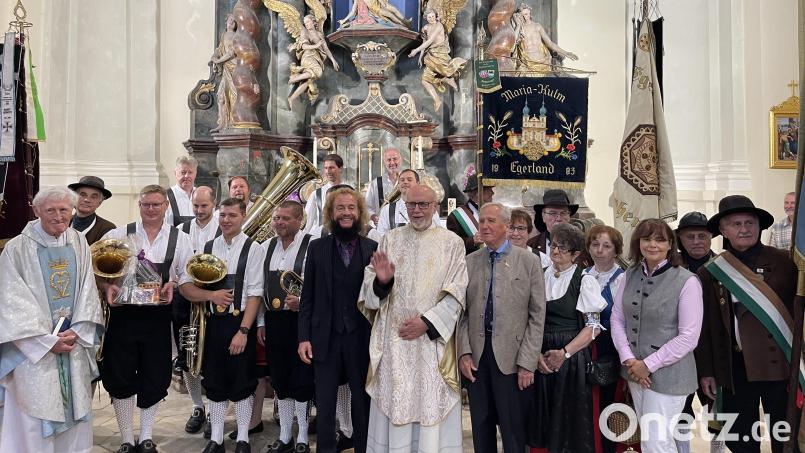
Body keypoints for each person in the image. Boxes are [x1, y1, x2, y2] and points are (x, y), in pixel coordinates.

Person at [359, 185, 468, 452]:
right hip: (394, 341)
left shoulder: (451, 243)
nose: (417, 210)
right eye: (412, 205)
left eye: (423, 205)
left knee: (430, 401)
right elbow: (370, 285)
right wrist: (382, 283)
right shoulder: (390, 239)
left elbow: (458, 290)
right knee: (396, 400)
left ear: (435, 206)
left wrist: (427, 323)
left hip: (430, 344)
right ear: (404, 206)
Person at [0, 187, 104, 453]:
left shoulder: (78, 242)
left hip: (72, 344)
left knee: (75, 416)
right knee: (35, 417)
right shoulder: (17, 248)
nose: (58, 216)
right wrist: (46, 341)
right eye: (50, 210)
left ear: (72, 211)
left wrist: (78, 332)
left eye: (64, 210)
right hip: (34, 351)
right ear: (36, 212)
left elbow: (86, 291)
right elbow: (11, 299)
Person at [696, 195, 796, 453]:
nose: (744, 229)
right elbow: (705, 328)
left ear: (759, 226)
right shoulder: (710, 272)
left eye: (750, 223)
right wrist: (707, 370)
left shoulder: (786, 262)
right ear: (723, 230)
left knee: (786, 437)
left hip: (781, 366)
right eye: (736, 223)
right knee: (739, 439)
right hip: (734, 367)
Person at [99, 185, 194, 453]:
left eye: (156, 204)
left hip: (158, 319)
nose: (150, 209)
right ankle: (127, 439)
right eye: (145, 204)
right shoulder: (118, 235)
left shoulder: (181, 239)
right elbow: (98, 270)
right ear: (139, 205)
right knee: (120, 375)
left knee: (155, 376)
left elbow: (187, 277)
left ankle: (147, 436)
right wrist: (108, 287)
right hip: (123, 318)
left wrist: (172, 286)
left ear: (166, 205)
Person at [180, 198, 266, 453]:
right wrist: (211, 296)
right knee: (215, 383)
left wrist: (243, 331)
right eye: (223, 215)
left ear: (243, 217)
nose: (226, 220)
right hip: (212, 325)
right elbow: (188, 286)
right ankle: (216, 439)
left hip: (240, 324)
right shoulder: (208, 247)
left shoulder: (253, 248)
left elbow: (255, 294)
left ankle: (242, 439)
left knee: (242, 383)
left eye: (232, 215)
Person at [610, 219, 703, 453]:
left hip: (670, 376)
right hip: (634, 372)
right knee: (648, 440)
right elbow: (617, 319)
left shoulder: (687, 281)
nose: (653, 244)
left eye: (660, 239)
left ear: (671, 244)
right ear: (638, 242)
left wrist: (648, 364)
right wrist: (630, 360)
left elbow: (689, 337)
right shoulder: (629, 275)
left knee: (657, 442)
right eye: (647, 239)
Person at [459, 202, 545, 453]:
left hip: (512, 359)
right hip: (477, 358)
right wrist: (464, 352)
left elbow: (537, 315)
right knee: (481, 430)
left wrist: (527, 362)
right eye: (482, 221)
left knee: (513, 432)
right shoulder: (470, 261)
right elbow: (461, 312)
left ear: (506, 226)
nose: (484, 226)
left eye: (490, 221)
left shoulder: (528, 262)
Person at [298, 186, 377, 453]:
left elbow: (378, 296)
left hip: (360, 338)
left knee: (362, 403)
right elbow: (307, 298)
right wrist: (304, 338)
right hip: (324, 337)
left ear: (359, 212)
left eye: (351, 208)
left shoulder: (372, 248)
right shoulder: (318, 248)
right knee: (325, 402)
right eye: (340, 208)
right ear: (331, 213)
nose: (346, 213)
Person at [526, 223, 606, 453]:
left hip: (570, 359)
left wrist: (565, 353)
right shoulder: (540, 275)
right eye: (554, 245)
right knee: (543, 419)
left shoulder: (585, 280)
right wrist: (536, 355)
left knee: (570, 423)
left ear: (576, 254)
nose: (556, 251)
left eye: (563, 248)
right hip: (540, 356)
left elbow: (593, 327)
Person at [258, 200, 316, 453]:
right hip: (274, 321)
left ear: (299, 220)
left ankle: (302, 436)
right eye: (276, 218)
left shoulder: (313, 245)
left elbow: (321, 288)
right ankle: (284, 437)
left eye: (285, 218)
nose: (279, 223)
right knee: (280, 378)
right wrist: (261, 322)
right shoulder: (264, 247)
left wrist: (302, 303)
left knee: (301, 379)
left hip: (302, 322)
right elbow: (257, 289)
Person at [674, 211, 724, 453]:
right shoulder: (671, 269)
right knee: (680, 411)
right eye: (690, 236)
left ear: (711, 237)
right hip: (680, 352)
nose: (696, 241)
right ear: (680, 239)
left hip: (714, 351)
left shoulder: (724, 269)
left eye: (702, 236)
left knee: (717, 411)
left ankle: (717, 449)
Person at [175, 186, 221, 435]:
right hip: (185, 298)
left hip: (213, 299)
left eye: (204, 205)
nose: (200, 210)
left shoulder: (221, 229)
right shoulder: (181, 231)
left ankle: (215, 409)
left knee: (211, 355)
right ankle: (197, 406)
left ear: (213, 204)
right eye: (196, 206)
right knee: (187, 353)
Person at [583, 225, 625, 453]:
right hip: (584, 346)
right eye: (595, 244)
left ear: (616, 250)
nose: (600, 250)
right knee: (586, 404)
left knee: (609, 404)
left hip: (609, 347)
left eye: (606, 246)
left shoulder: (622, 278)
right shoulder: (583, 275)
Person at [408, 9, 467, 111]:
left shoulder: (439, 25)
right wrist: (421, 55)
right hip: (430, 55)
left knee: (447, 71)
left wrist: (416, 51)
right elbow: (425, 42)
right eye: (428, 17)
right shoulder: (425, 28)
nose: (431, 19)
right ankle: (437, 100)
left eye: (432, 16)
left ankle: (449, 78)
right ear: (425, 18)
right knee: (425, 80)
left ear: (435, 16)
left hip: (440, 53)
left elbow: (431, 40)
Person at [527, 189, 592, 268]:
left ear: (569, 216)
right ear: (543, 216)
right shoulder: (531, 245)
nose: (558, 218)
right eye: (552, 213)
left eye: (563, 213)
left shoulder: (583, 245)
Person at [510, 2, 578, 75]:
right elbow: (512, 46)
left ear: (530, 13)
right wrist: (518, 25)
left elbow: (550, 43)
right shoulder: (519, 29)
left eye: (526, 14)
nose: (524, 17)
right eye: (522, 15)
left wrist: (565, 52)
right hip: (526, 64)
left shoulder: (537, 26)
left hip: (541, 63)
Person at [288, 14, 340, 105]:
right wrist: (316, 45)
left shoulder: (319, 34)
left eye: (308, 22)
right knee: (318, 72)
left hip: (316, 58)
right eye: (305, 23)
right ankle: (293, 79)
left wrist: (333, 60)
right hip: (307, 56)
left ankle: (291, 98)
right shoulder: (305, 32)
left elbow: (326, 49)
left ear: (313, 22)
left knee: (309, 81)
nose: (307, 24)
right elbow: (304, 46)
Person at [445, 174, 494, 255]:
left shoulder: (494, 212)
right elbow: (451, 246)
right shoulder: (455, 217)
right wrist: (472, 241)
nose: (492, 193)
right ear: (476, 192)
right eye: (488, 189)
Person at [303, 154, 344, 235]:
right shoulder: (316, 194)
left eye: (331, 168)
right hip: (320, 238)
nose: (328, 171)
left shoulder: (352, 191)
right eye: (326, 168)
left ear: (340, 169)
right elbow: (307, 222)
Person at [68, 175, 116, 244]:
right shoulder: (62, 222)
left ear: (100, 202)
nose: (87, 200)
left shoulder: (108, 229)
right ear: (74, 198)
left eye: (93, 197)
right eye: (83, 195)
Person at [210, 15, 237, 133]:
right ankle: (222, 122)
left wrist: (218, 61)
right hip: (226, 69)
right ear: (226, 22)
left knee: (234, 96)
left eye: (234, 21)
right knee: (221, 96)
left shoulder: (236, 36)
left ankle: (233, 121)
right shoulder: (223, 36)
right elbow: (219, 50)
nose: (232, 22)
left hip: (234, 68)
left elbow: (231, 53)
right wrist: (214, 57)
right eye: (230, 19)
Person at [365, 148, 401, 224]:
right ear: (384, 163)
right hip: (382, 226)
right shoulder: (375, 183)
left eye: (395, 159)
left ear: (400, 160)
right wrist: (373, 216)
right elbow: (367, 207)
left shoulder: (406, 181)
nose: (392, 162)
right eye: (389, 160)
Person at [166, 155, 198, 227]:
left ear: (195, 174)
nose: (186, 176)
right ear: (175, 173)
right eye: (183, 172)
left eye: (190, 172)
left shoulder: (201, 195)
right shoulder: (166, 197)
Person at [339, 0, 411, 29]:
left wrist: (384, 3)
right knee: (391, 15)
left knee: (394, 9)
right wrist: (344, 20)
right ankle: (402, 24)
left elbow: (382, 3)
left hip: (380, 7)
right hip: (377, 11)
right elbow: (353, 11)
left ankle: (405, 21)